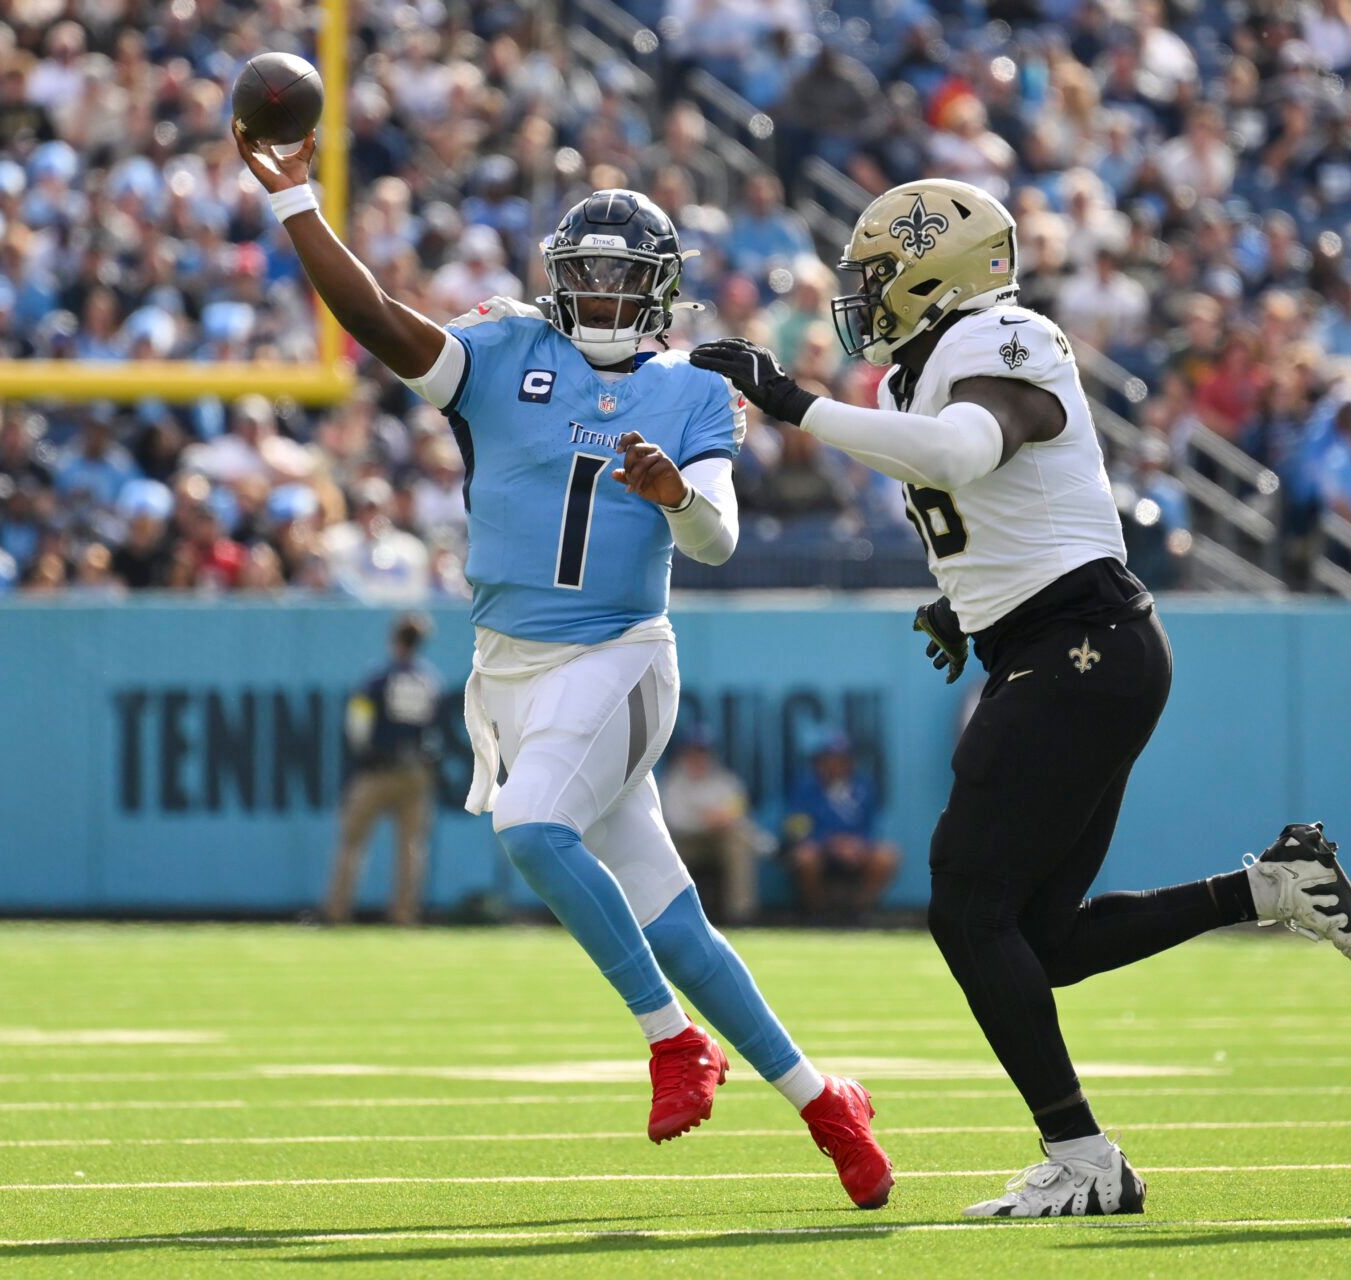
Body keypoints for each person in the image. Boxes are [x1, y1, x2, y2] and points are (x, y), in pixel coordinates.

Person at [691, 178, 1351, 1219]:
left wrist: (794, 401)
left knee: (966, 907)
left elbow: (968, 451)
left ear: (942, 269)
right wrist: (957, 599)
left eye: (880, 275)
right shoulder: (912, 376)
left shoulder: (1008, 337)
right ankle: (1272, 885)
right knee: (1038, 936)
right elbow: (993, 507)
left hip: (1082, 643)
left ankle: (1083, 1154)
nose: (865, 296)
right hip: (1058, 644)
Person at [237, 129, 891, 1208]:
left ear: (659, 291)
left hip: (621, 653)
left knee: (531, 830)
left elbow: (720, 536)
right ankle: (827, 1103)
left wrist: (675, 492)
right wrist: (298, 201)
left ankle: (673, 1041)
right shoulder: (498, 354)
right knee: (677, 922)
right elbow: (372, 321)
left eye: (620, 277)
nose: (596, 292)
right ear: (555, 276)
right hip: (509, 667)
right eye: (581, 272)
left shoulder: (686, 388)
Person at [324, 612, 443, 926]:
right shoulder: (428, 680)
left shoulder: (379, 677)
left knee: (352, 841)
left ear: (394, 639)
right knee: (411, 848)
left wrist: (361, 755)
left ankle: (338, 911)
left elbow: (357, 724)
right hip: (416, 771)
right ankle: (404, 913)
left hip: (378, 770)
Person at [782, 734, 899, 923]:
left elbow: (873, 826)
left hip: (855, 849)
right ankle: (818, 912)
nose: (836, 765)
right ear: (820, 762)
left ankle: (858, 912)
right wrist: (829, 842)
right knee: (805, 857)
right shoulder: (805, 788)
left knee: (887, 856)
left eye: (842, 760)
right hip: (821, 849)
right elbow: (796, 829)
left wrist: (857, 844)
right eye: (830, 760)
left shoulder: (863, 787)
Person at [658, 728, 767, 924]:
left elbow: (738, 811)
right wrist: (706, 820)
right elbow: (675, 822)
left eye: (703, 751)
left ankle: (741, 916)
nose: (699, 757)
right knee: (666, 853)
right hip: (684, 843)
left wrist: (719, 819)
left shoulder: (725, 780)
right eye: (694, 751)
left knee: (737, 842)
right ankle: (669, 917)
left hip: (719, 840)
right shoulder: (673, 781)